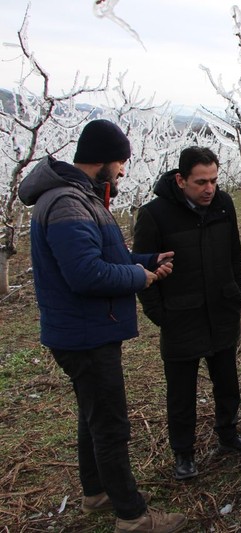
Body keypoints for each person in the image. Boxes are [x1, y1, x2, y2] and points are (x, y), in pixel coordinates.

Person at [18, 119, 187, 532]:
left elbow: (102, 255)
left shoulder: (80, 197)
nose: (125, 171)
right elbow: (86, 274)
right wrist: (139, 278)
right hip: (85, 333)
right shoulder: (67, 203)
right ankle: (133, 516)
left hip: (87, 329)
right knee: (110, 423)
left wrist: (145, 261)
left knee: (93, 414)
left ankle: (96, 491)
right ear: (106, 160)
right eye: (122, 162)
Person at [133, 146, 241, 481]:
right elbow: (143, 268)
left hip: (221, 311)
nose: (209, 189)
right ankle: (183, 454)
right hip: (180, 316)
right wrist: (161, 315)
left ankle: (228, 436)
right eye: (201, 182)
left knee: (227, 383)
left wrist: (235, 294)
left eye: (214, 180)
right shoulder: (154, 215)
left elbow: (233, 253)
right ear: (180, 179)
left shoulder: (223, 204)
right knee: (181, 393)